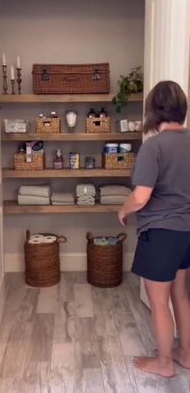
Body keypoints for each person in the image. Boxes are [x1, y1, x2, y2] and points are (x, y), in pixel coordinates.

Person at [118, 80, 190, 378]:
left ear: (153, 111)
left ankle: (163, 363)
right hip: (186, 232)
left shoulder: (153, 147)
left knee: (158, 300)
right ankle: (185, 354)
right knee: (181, 294)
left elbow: (141, 197)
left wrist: (122, 209)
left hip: (160, 232)